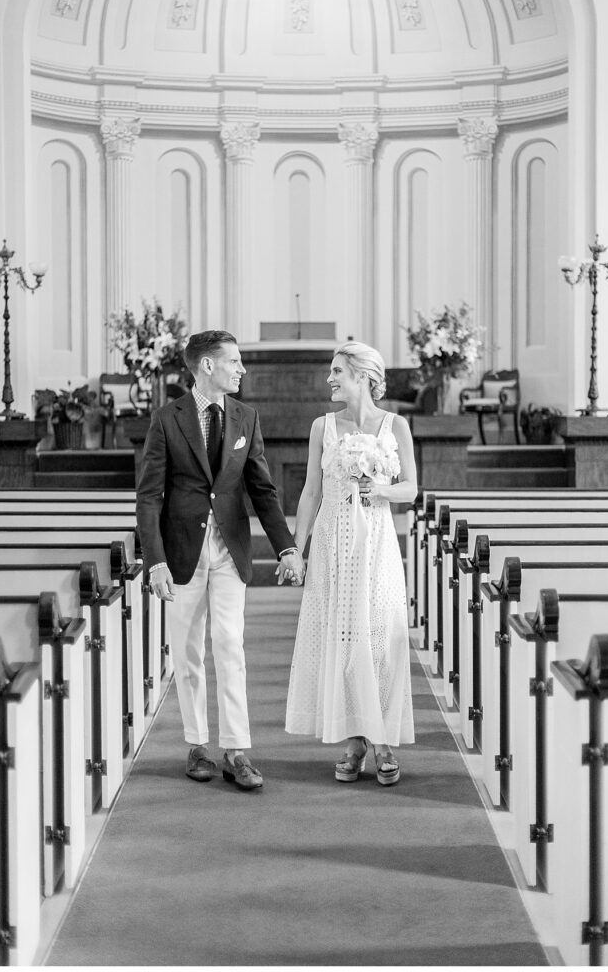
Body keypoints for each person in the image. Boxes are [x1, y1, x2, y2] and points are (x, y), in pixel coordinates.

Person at [137, 330, 305, 790]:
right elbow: (149, 497)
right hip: (181, 552)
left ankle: (236, 749)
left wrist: (286, 547)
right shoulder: (166, 419)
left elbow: (262, 490)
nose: (241, 369)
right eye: (233, 361)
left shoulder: (246, 417)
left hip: (230, 547)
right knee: (189, 653)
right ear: (207, 366)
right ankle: (197, 744)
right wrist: (155, 561)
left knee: (230, 644)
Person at [285, 342, 417, 785]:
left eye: (338, 371)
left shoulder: (395, 426)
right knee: (341, 637)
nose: (330, 379)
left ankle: (382, 740)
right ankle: (354, 739)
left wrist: (380, 490)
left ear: (363, 375)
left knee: (378, 636)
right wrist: (297, 549)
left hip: (377, 543)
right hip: (331, 542)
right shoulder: (322, 427)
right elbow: (309, 492)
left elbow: (412, 489)